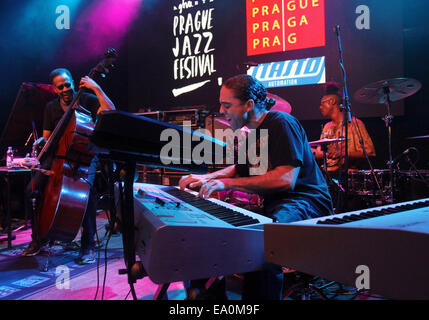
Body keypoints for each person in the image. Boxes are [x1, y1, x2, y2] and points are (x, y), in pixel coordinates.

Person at [179, 74, 333, 300]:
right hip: (277, 205)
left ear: (249, 104)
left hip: (306, 203)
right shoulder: (251, 133)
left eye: (227, 105)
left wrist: (225, 184)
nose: (222, 110)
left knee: (264, 243)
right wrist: (206, 177)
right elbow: (238, 170)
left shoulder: (281, 123)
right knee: (210, 231)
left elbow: (285, 179)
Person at [22, 68, 115, 264]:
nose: (65, 89)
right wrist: (41, 142)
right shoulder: (51, 107)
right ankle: (38, 239)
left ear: (73, 82)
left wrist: (96, 87)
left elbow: (110, 111)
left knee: (86, 195)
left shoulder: (88, 99)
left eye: (67, 84)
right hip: (57, 156)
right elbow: (47, 137)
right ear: (55, 89)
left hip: (85, 156)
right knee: (30, 190)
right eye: (60, 87)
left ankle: (87, 245)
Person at [312, 82, 376, 173]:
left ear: (332, 102)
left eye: (322, 103)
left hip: (349, 174)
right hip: (329, 174)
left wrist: (342, 154)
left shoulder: (354, 123)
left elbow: (369, 152)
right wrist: (310, 151)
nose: (320, 107)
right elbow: (321, 153)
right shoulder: (327, 127)